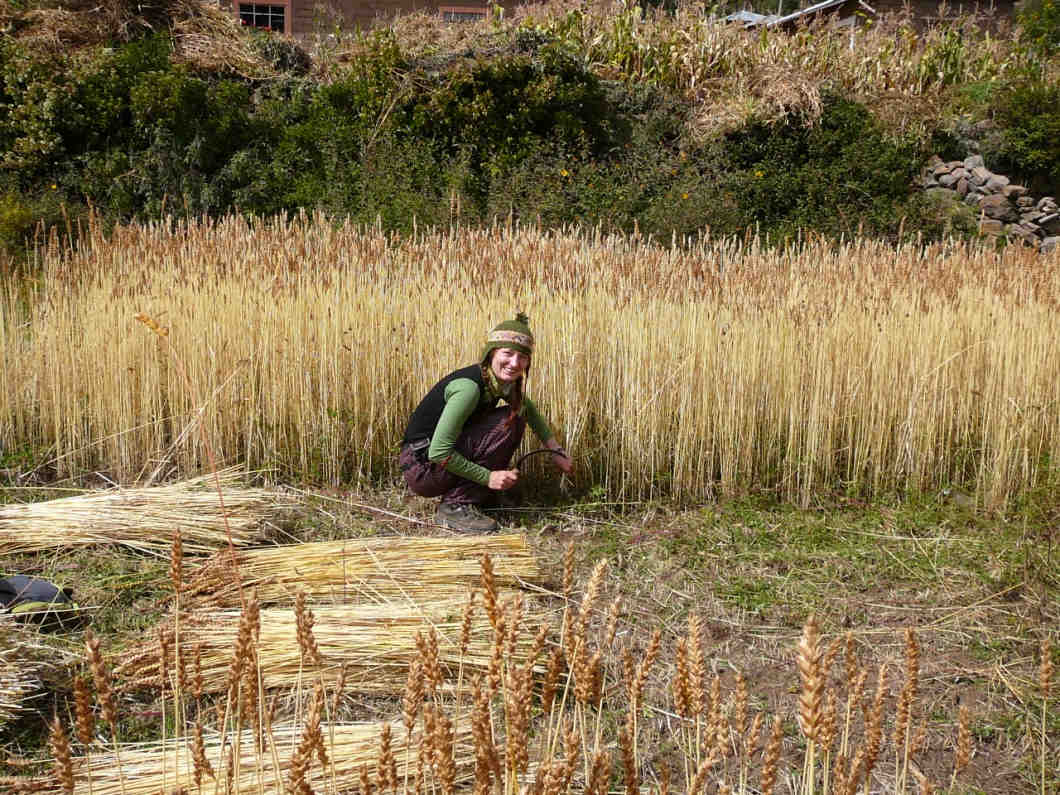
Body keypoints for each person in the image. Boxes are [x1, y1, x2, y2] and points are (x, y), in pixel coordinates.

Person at [399, 313, 572, 533]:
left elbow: (529, 411)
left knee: (515, 416)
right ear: (490, 354)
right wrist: (487, 477)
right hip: (422, 467)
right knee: (506, 423)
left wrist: (555, 449)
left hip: (434, 462)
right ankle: (455, 506)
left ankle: (477, 497)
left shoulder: (499, 383)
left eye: (522, 357)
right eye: (507, 354)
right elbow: (439, 452)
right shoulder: (469, 389)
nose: (514, 363)